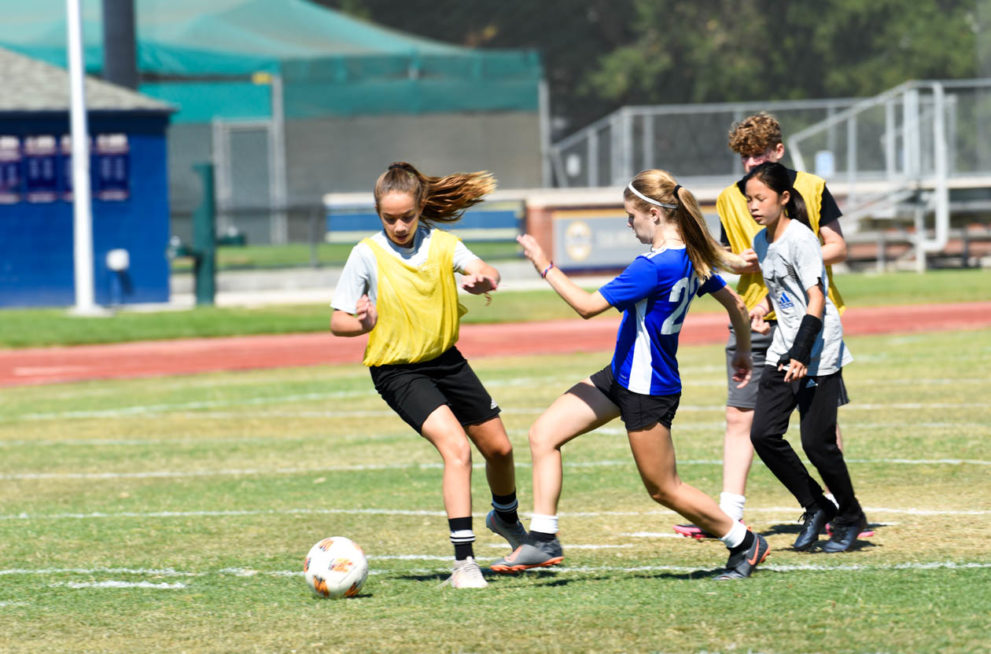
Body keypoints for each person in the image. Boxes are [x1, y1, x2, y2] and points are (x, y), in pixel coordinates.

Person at [491, 169, 770, 580]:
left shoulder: (652, 266)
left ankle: (745, 542)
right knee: (543, 435)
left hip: (647, 387)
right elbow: (737, 305)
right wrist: (743, 351)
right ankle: (543, 538)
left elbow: (586, 306)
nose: (628, 223)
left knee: (664, 489)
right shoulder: (692, 257)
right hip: (621, 376)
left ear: (654, 214)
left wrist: (544, 265)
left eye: (631, 215)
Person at [330, 161, 527, 589]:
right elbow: (337, 322)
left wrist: (484, 279)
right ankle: (464, 564)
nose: (399, 226)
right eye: (389, 218)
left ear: (421, 208)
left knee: (500, 449)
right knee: (456, 449)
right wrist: (363, 323)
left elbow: (485, 268)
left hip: (446, 360)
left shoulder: (442, 244)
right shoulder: (365, 254)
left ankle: (505, 518)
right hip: (397, 369)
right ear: (378, 213)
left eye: (407, 216)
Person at [673, 111, 865, 541]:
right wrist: (738, 267)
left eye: (759, 154)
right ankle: (730, 515)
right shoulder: (733, 200)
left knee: (819, 430)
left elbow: (832, 251)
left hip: (811, 325)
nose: (751, 164)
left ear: (778, 151)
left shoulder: (810, 192)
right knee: (746, 420)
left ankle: (840, 510)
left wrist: (790, 256)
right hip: (759, 320)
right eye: (745, 157)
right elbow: (730, 256)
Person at [744, 161, 868, 552]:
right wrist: (762, 308)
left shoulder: (801, 238)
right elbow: (784, 290)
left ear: (783, 198)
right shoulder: (761, 241)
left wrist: (801, 354)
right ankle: (816, 505)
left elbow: (816, 297)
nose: (753, 206)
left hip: (816, 351)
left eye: (760, 198)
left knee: (817, 444)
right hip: (784, 347)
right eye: (749, 199)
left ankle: (851, 516)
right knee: (763, 434)